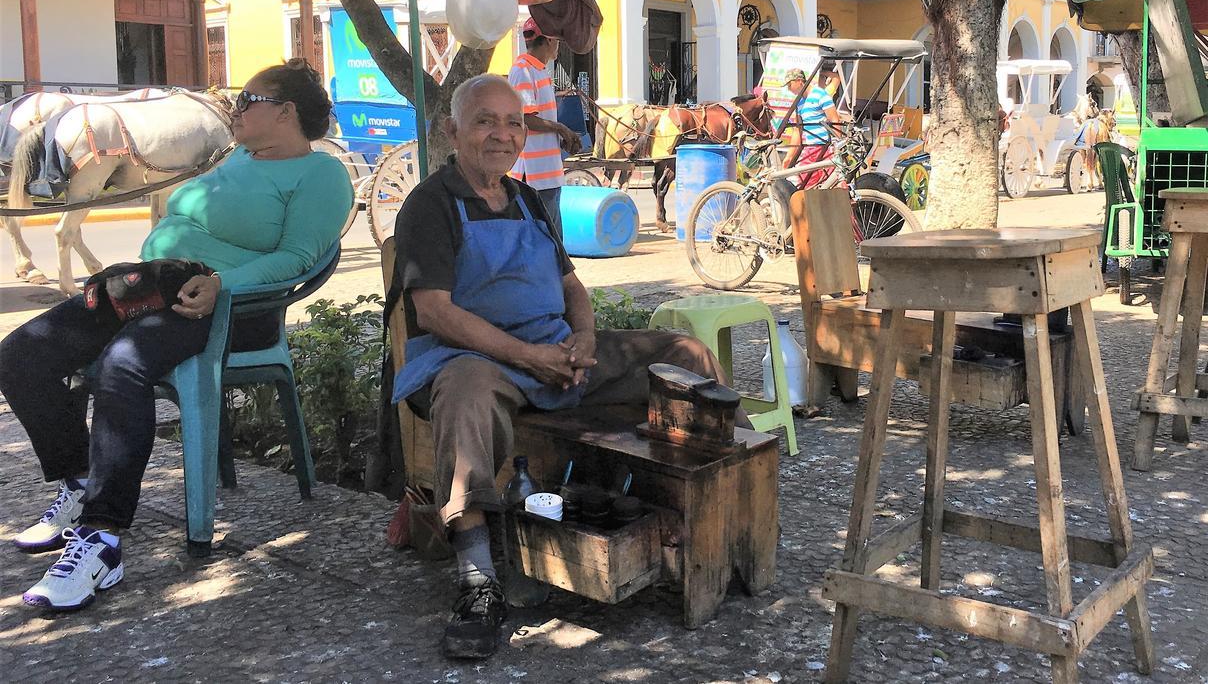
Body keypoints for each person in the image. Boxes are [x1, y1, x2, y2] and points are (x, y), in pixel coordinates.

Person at [390, 74, 735, 660]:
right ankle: (477, 580)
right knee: (467, 393)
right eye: (484, 121)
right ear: (452, 131)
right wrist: (528, 356)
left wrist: (583, 341)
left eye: (513, 122)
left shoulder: (526, 198)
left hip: (553, 353)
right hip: (473, 360)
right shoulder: (431, 205)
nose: (502, 134)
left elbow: (572, 286)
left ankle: (711, 514)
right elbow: (435, 313)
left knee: (685, 356)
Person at [0, 59, 354, 612]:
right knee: (21, 355)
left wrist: (220, 284)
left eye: (248, 100)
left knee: (124, 366)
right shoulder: (238, 157)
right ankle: (78, 481)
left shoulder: (320, 175)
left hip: (231, 308)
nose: (235, 108)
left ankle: (101, 540)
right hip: (152, 289)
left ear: (286, 113)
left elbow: (299, 258)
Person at [506, 17, 582, 238]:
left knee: (552, 236)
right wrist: (561, 129)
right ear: (548, 40)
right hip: (534, 175)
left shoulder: (539, 71)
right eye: (557, 40)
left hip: (547, 172)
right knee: (548, 237)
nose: (558, 45)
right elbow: (526, 118)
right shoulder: (523, 70)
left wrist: (560, 137)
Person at [767, 64, 844, 189]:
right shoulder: (799, 103)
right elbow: (798, 130)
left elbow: (834, 119)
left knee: (829, 184)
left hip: (825, 147)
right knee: (806, 182)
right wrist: (789, 156)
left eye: (789, 85)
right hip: (809, 148)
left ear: (799, 81)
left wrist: (838, 148)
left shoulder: (820, 94)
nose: (789, 89)